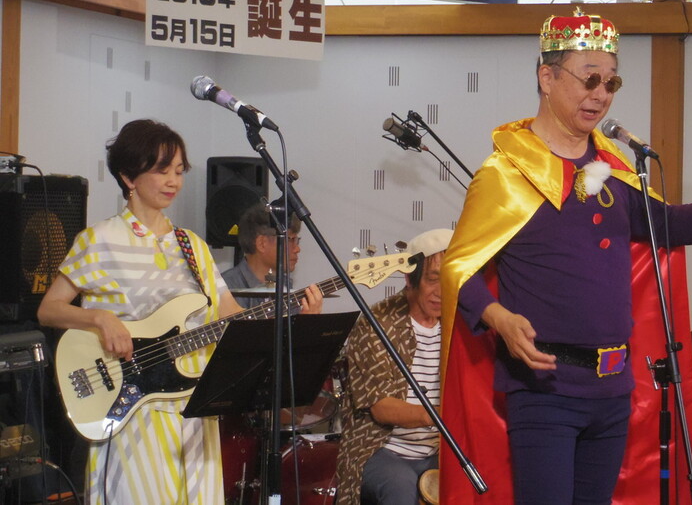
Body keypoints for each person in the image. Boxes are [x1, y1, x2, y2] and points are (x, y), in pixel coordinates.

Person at [439, 9, 692, 504]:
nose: (601, 94)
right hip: (544, 389)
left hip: (612, 387)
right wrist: (498, 318)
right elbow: (457, 267)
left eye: (611, 82)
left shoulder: (611, 166)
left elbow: (662, 224)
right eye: (590, 79)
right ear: (547, 77)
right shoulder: (507, 173)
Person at [36, 119, 321, 504]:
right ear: (129, 177)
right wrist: (100, 318)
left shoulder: (192, 246)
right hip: (132, 408)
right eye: (161, 170)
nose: (173, 181)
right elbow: (49, 310)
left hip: (194, 405)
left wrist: (295, 318)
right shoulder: (99, 240)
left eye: (179, 170)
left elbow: (232, 318)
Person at [337, 228, 452, 505]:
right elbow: (382, 407)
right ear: (409, 278)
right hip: (382, 449)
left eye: (449, 281)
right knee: (400, 487)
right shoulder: (376, 323)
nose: (441, 292)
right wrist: (441, 415)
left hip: (441, 450)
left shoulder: (458, 322)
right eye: (432, 279)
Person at [222, 201, 305, 309]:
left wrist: (307, 318)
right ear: (262, 243)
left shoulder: (285, 285)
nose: (297, 249)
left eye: (297, 240)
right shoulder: (224, 288)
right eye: (290, 240)